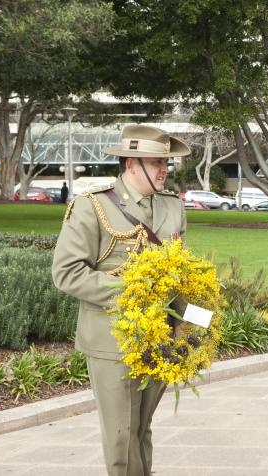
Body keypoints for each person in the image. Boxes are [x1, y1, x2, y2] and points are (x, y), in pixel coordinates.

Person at [52, 124, 189, 476]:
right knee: (120, 436)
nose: (164, 170)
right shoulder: (92, 206)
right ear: (130, 163)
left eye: (166, 163)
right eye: (156, 162)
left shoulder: (173, 207)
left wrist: (195, 327)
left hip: (159, 336)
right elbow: (67, 272)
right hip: (112, 339)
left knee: (141, 429)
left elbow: (183, 276)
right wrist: (134, 294)